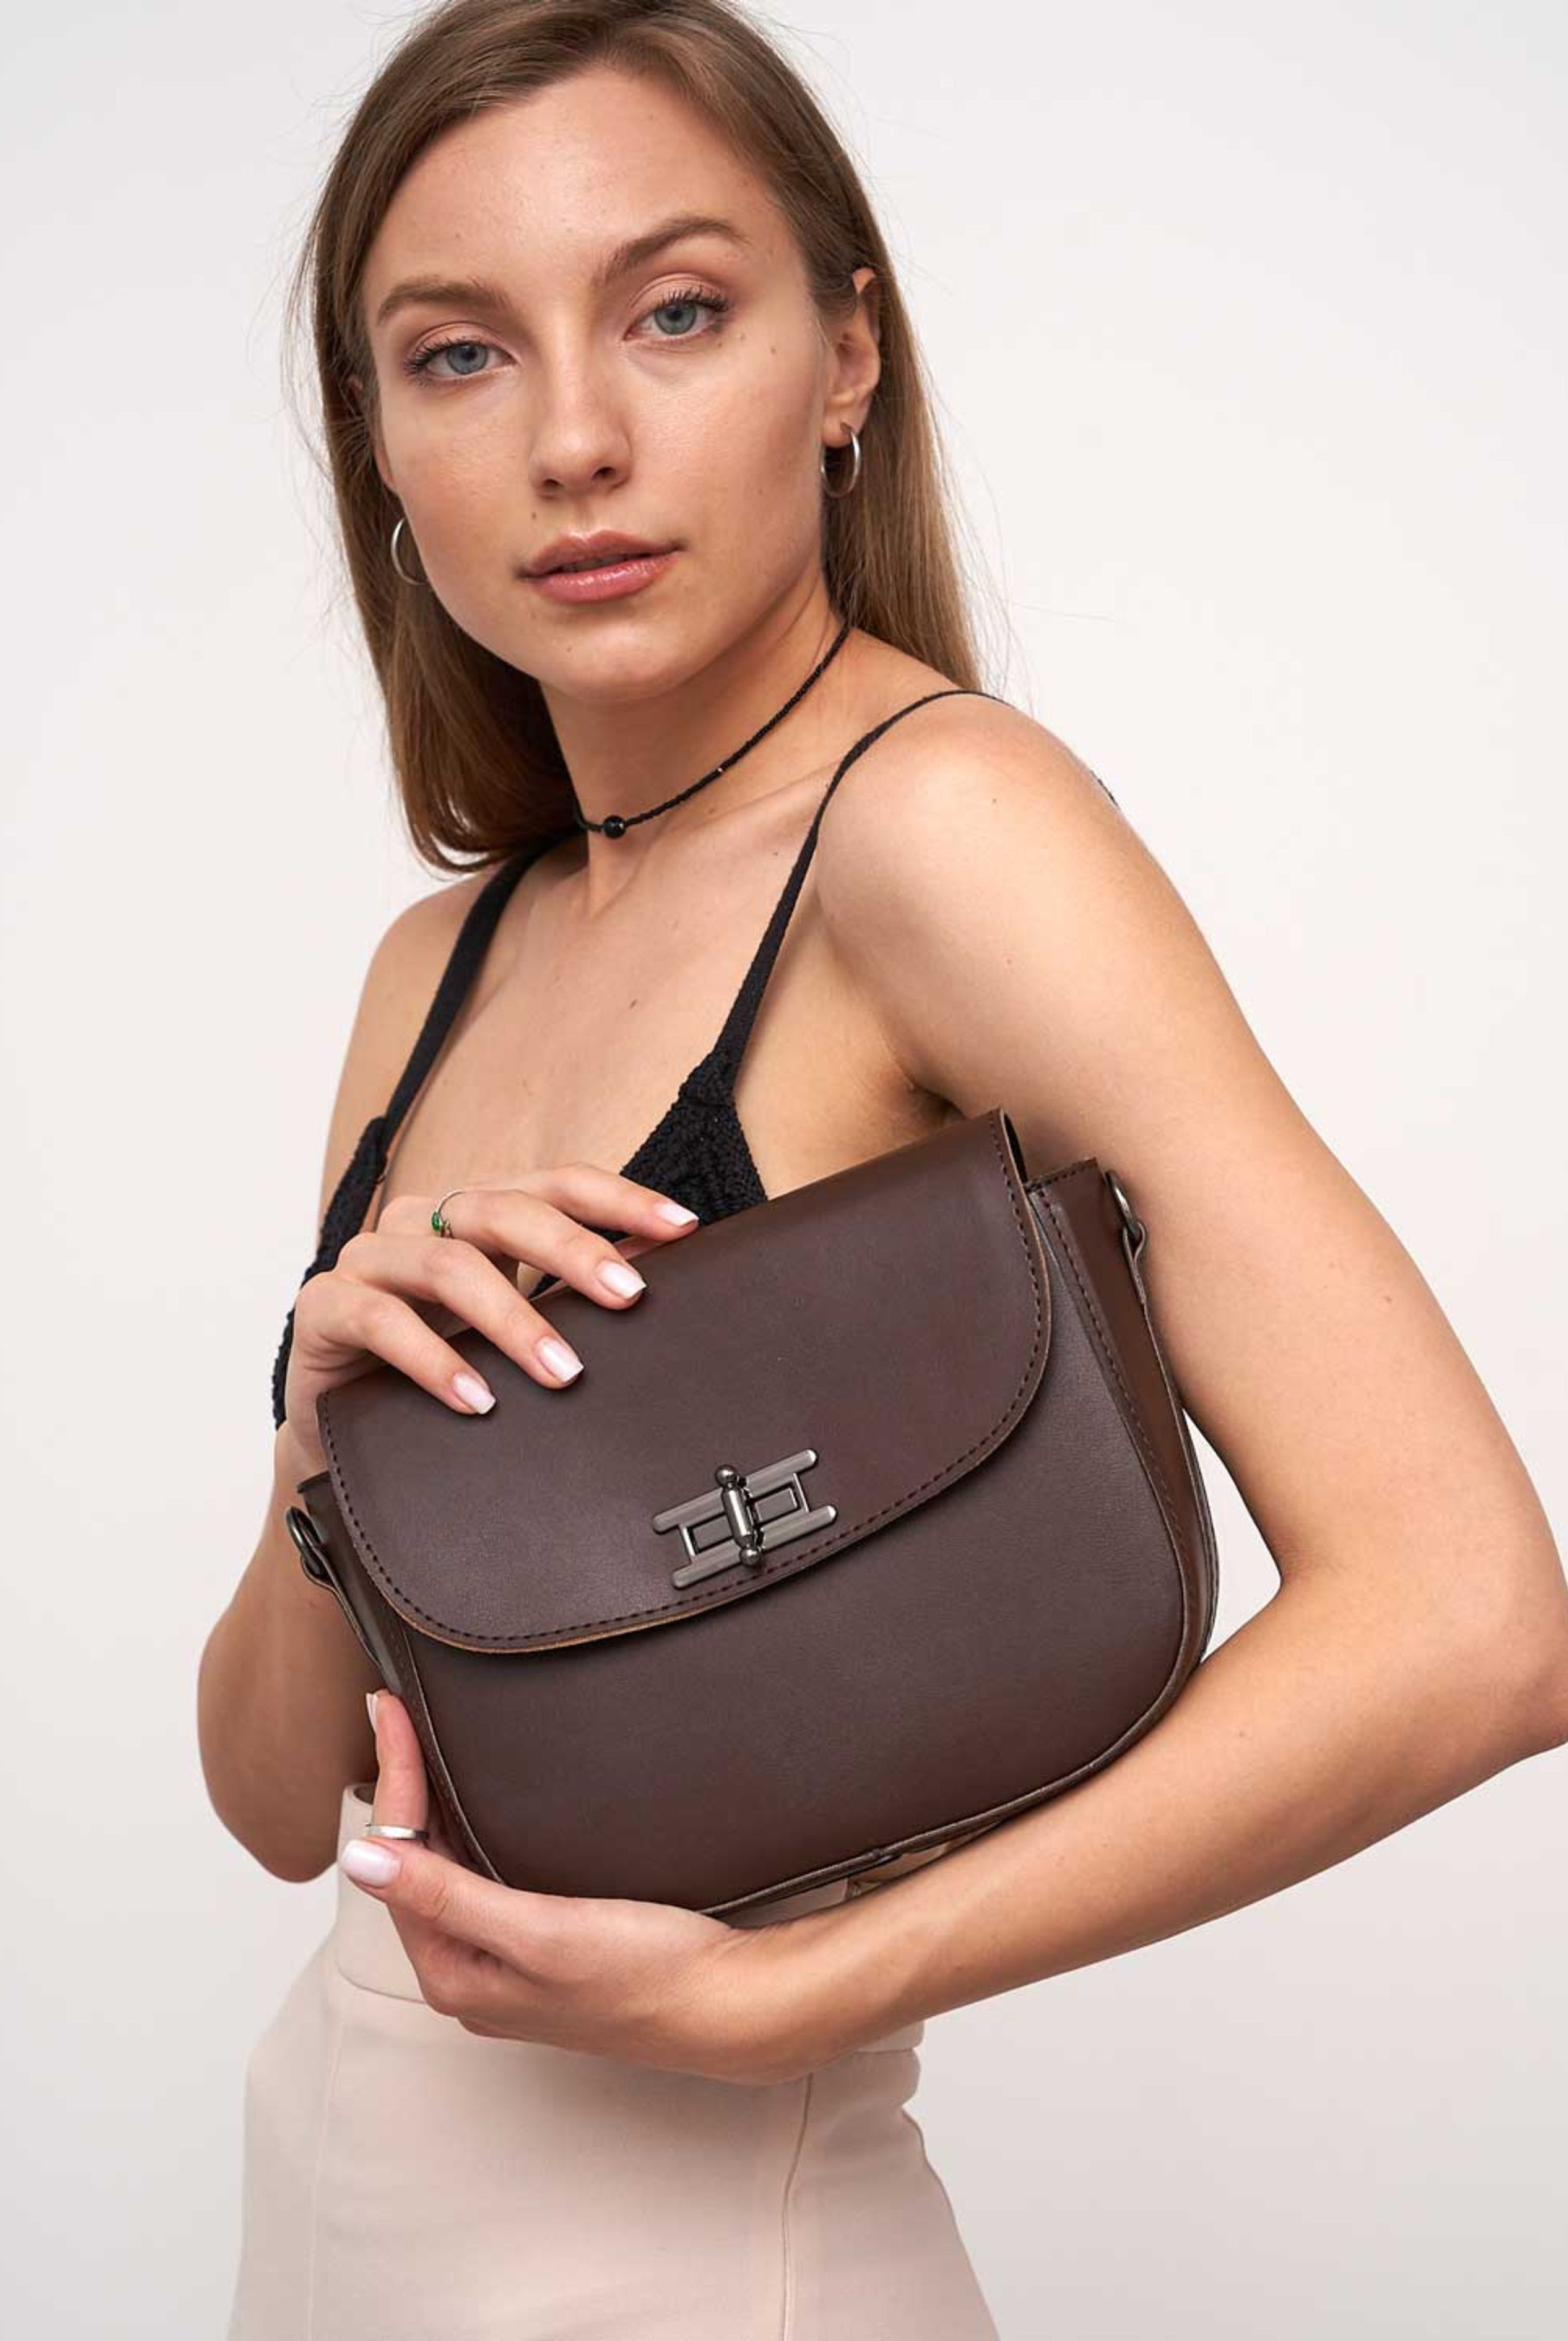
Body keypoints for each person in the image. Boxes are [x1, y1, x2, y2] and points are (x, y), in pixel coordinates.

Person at [198, 3, 1568, 2334]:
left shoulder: (935, 831)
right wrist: (318, 1452)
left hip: (698, 2262)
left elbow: (1475, 1623)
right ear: (378, 442)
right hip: (338, 2219)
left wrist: (795, 1992)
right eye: (459, 354)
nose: (573, 437)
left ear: (845, 358)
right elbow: (278, 1804)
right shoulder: (437, 962)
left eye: (673, 311)